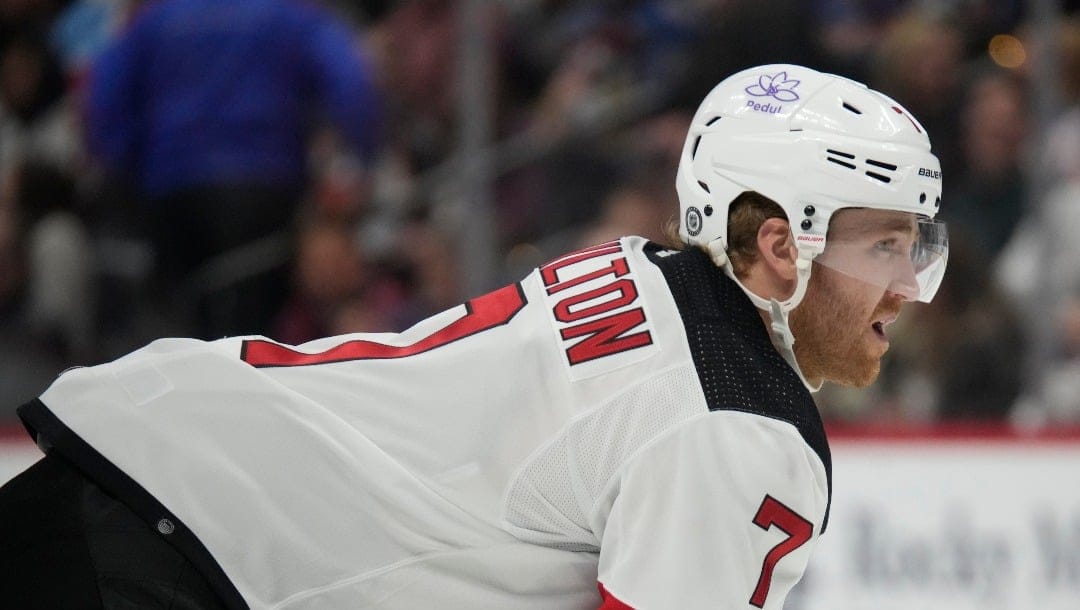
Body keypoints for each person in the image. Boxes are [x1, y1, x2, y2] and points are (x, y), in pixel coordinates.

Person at [0, 64, 948, 609]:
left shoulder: (645, 271)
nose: (908, 288)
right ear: (782, 245)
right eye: (885, 247)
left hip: (153, 465)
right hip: (178, 556)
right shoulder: (742, 427)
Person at [84, 0, 382, 340]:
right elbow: (351, 82)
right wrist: (363, 158)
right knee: (253, 330)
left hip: (172, 191)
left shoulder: (158, 18)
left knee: (183, 327)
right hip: (265, 192)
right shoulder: (290, 15)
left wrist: (127, 164)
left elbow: (104, 91)